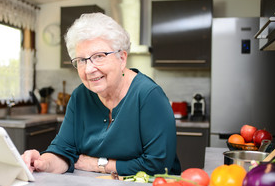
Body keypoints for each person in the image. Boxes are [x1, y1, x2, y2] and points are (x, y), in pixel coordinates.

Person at [22, 13, 181, 176]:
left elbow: (159, 166)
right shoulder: (80, 97)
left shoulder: (148, 95)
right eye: (81, 60)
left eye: (99, 56)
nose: (89, 69)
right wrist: (42, 162)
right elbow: (63, 151)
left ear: (122, 58)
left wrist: (99, 164)